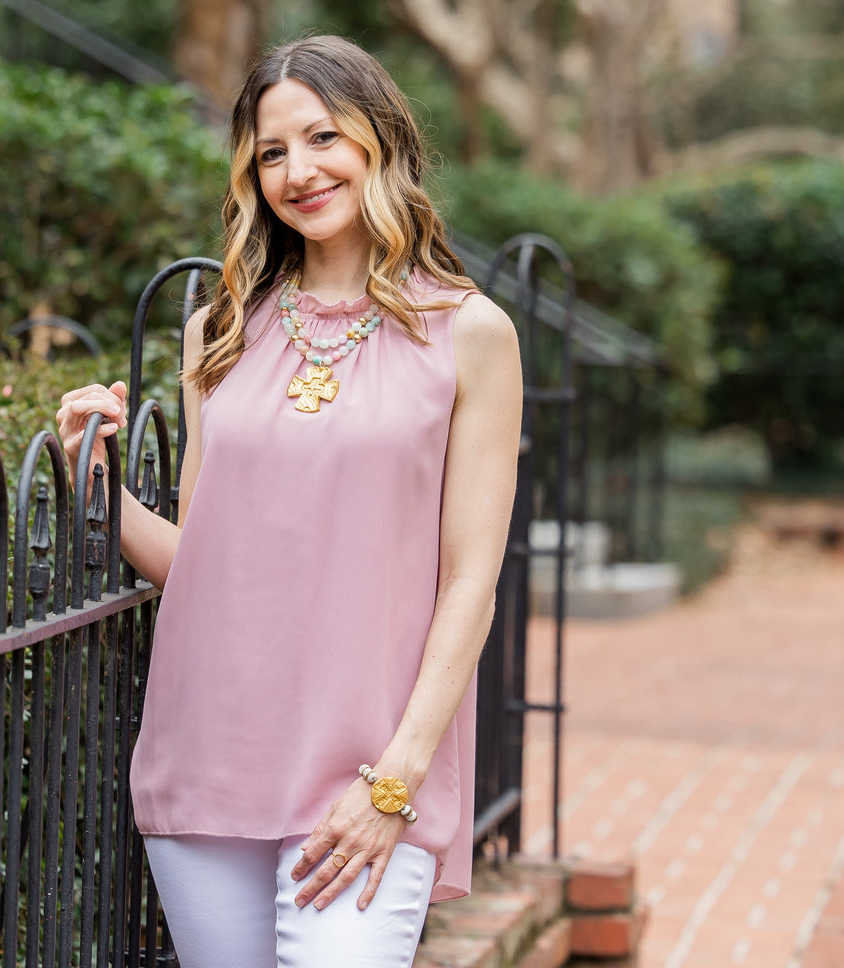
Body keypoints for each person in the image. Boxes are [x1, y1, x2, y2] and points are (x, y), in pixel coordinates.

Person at [56, 34, 522, 968]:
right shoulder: (218, 332)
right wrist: (91, 475)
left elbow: (471, 579)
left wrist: (396, 780)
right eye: (272, 152)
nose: (298, 171)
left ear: (380, 140)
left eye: (322, 138)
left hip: (369, 773)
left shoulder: (470, 333)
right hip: (209, 756)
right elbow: (203, 563)